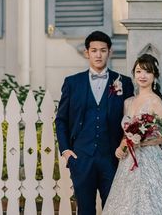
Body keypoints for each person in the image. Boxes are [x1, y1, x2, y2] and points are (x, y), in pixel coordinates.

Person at [55, 31, 135, 215]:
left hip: (113, 158)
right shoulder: (72, 83)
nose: (98, 55)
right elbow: (61, 120)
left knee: (114, 209)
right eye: (94, 50)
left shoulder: (124, 82)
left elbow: (131, 120)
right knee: (85, 210)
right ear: (87, 53)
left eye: (103, 50)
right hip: (81, 158)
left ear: (110, 52)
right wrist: (66, 151)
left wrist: (124, 147)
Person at [102, 53, 162, 215]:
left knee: (152, 202)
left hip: (150, 158)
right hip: (129, 161)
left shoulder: (154, 100)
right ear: (134, 74)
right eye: (138, 71)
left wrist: (141, 142)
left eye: (147, 71)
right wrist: (121, 147)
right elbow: (126, 133)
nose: (142, 76)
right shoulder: (128, 102)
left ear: (154, 76)